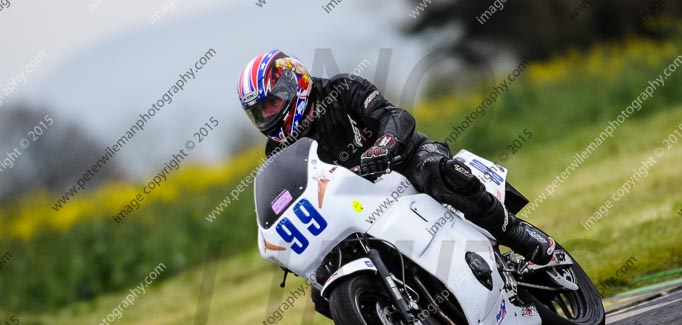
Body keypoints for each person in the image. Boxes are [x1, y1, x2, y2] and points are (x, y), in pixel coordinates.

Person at [237, 50, 555, 265]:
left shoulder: (342, 89)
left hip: (402, 161)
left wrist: (385, 145)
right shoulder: (278, 150)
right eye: (259, 112)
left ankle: (514, 233)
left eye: (271, 103)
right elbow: (284, 198)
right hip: (356, 203)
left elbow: (396, 116)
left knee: (436, 170)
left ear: (294, 84)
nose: (267, 115)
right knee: (323, 286)